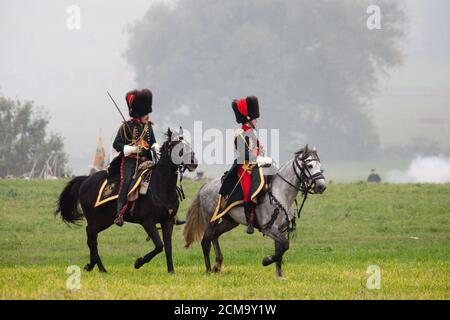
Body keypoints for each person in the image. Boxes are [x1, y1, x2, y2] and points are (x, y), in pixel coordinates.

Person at [217, 96, 272, 234]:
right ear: (248, 118)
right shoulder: (240, 134)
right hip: (244, 168)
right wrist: (259, 158)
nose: (256, 120)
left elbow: (256, 150)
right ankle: (250, 221)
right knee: (249, 192)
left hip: (255, 166)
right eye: (255, 118)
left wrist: (263, 156)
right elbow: (243, 155)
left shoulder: (252, 133)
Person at [111, 89, 160, 227]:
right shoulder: (126, 127)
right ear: (139, 113)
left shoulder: (148, 127)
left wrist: (156, 146)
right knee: (125, 182)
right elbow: (117, 144)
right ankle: (119, 213)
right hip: (129, 161)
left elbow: (153, 142)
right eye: (146, 114)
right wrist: (131, 149)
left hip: (146, 161)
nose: (148, 117)